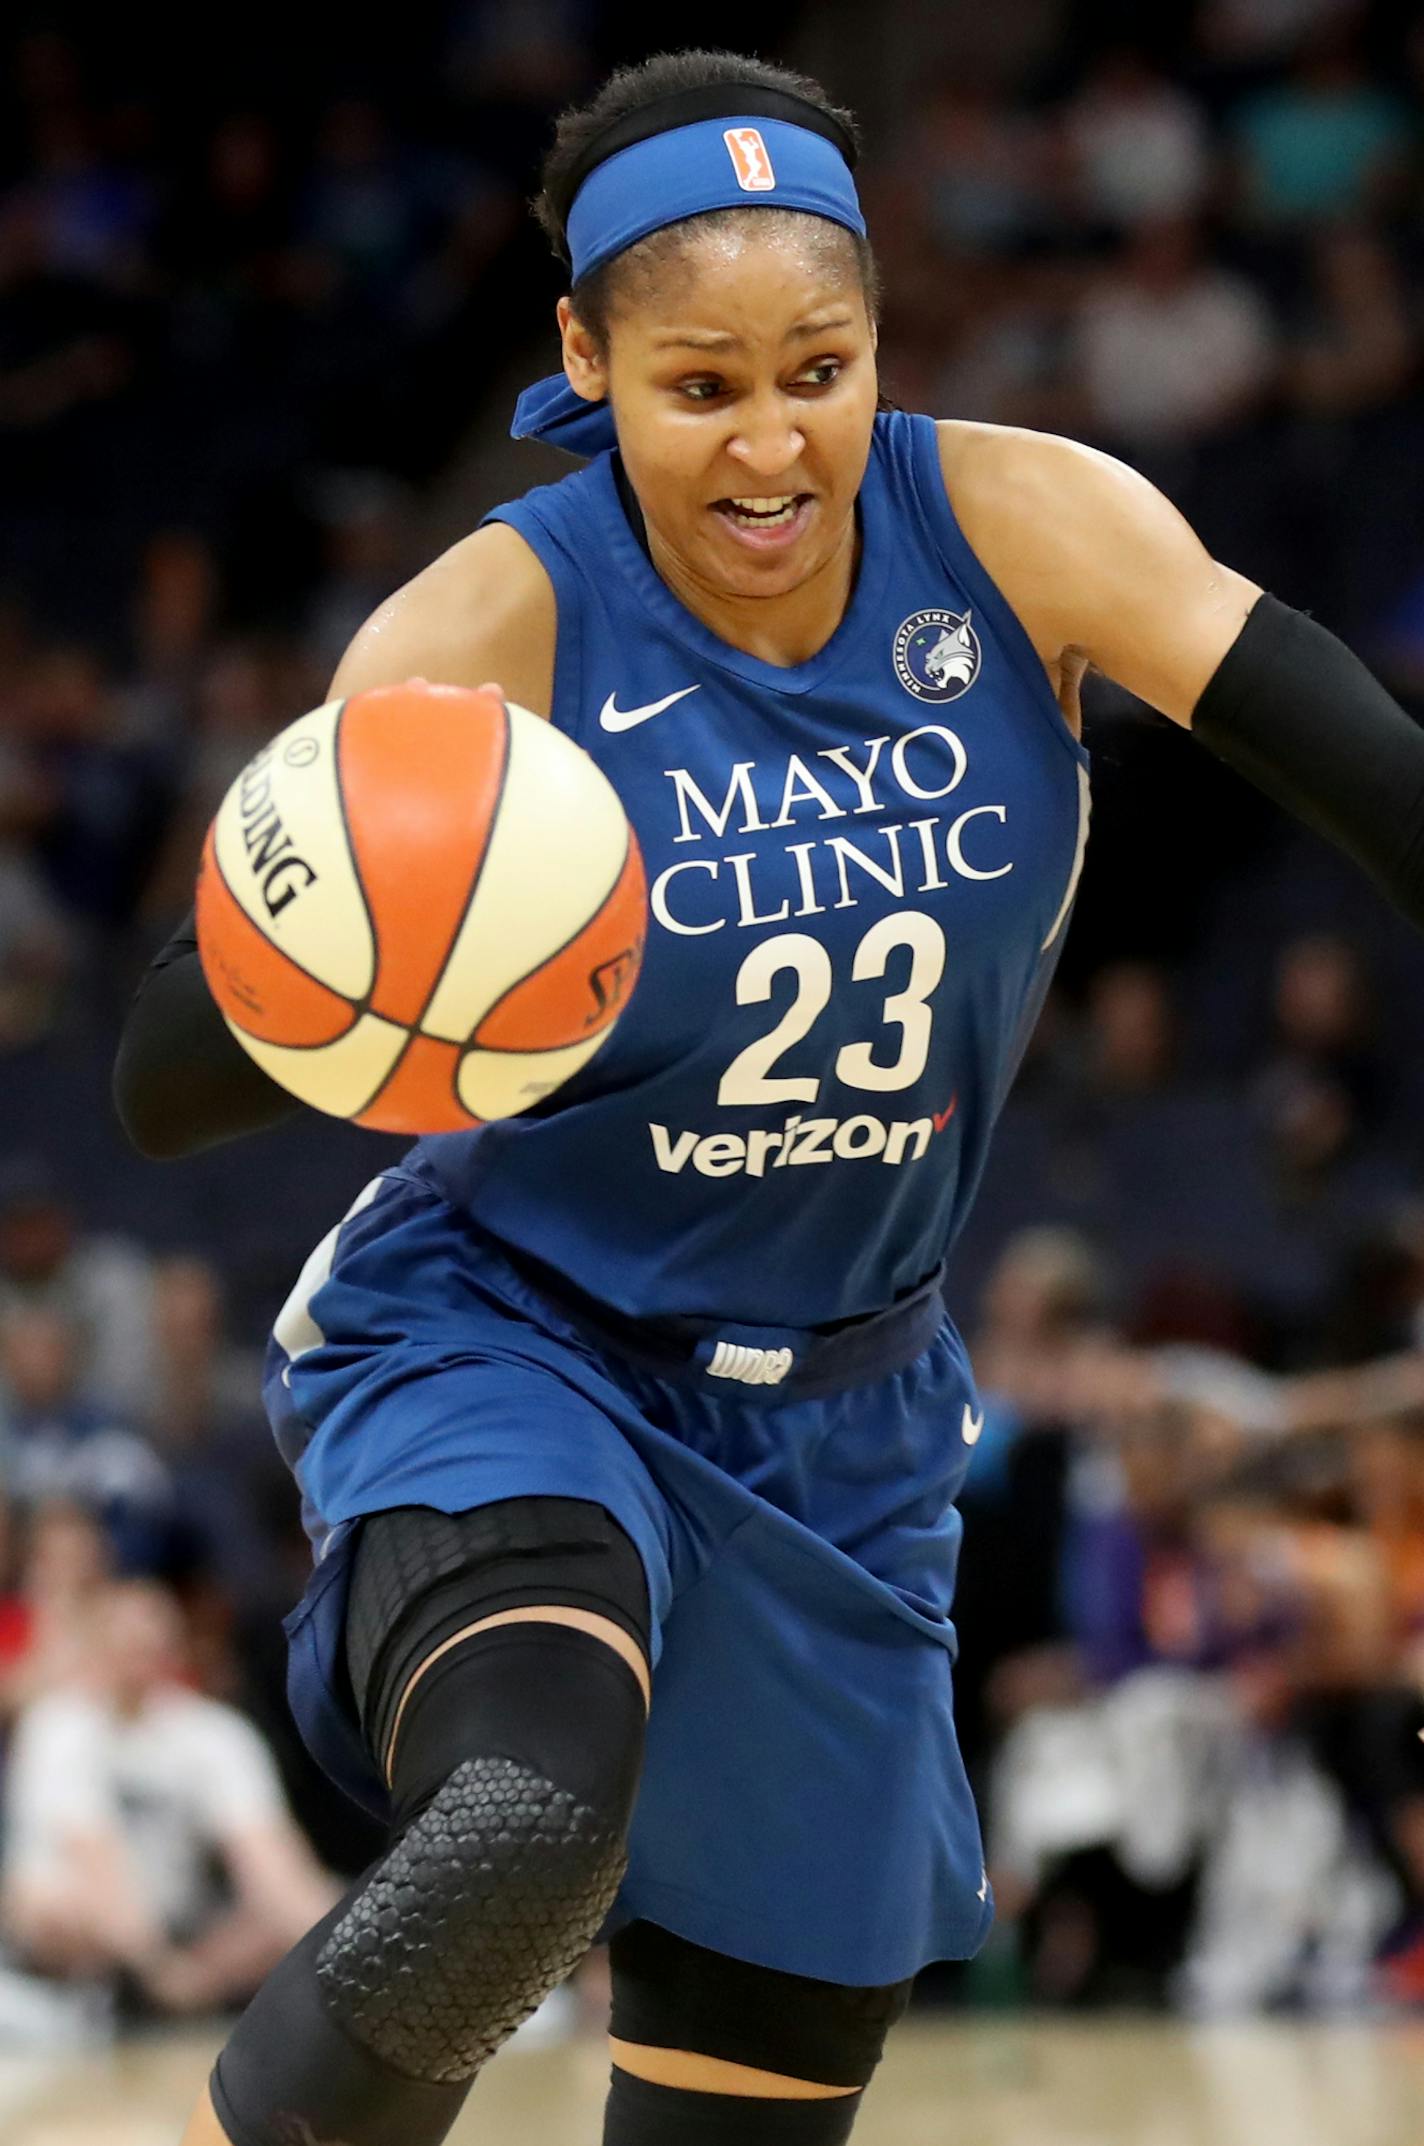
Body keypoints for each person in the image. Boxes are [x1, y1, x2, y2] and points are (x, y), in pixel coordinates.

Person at [110, 47, 1424, 2146]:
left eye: (815, 366)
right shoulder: (493, 621)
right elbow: (170, 1075)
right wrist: (358, 938)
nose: (768, 437)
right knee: (520, 1826)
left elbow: (1373, 772)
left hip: (849, 1417)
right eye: (699, 383)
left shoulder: (1023, 526)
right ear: (583, 358)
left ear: (878, 344)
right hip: (519, 1340)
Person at [0, 1578, 338, 2012]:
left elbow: (267, 1854)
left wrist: (329, 1936)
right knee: (50, 1909)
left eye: (150, 1642)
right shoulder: (59, 1726)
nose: (138, 1655)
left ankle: (185, 1996)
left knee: (307, 1908)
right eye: (126, 1641)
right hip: (92, 1935)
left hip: (185, 1937)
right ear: (97, 1645)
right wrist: (154, 1966)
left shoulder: (214, 1732)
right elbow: (93, 1858)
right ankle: (118, 1998)